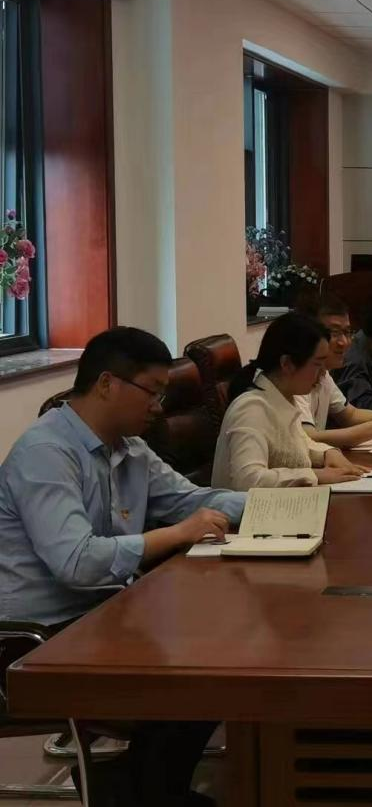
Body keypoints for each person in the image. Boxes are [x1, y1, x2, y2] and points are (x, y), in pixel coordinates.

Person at [0, 327, 248, 806]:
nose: (158, 407)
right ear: (107, 384)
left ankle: (139, 788)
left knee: (219, 653)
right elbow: (76, 563)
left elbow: (191, 500)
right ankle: (140, 791)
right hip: (34, 638)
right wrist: (177, 534)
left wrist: (291, 505)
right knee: (192, 676)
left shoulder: (129, 449)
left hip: (99, 616)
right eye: (152, 392)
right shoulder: (46, 453)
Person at [211, 312, 366, 490]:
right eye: (317, 364)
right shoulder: (250, 409)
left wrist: (326, 453)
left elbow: (297, 443)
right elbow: (248, 480)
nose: (323, 373)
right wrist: (316, 475)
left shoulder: (284, 397)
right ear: (287, 363)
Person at [295, 295, 372, 449]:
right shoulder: (294, 377)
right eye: (334, 333)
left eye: (347, 332)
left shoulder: (324, 374)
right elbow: (308, 438)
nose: (344, 342)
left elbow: (350, 414)